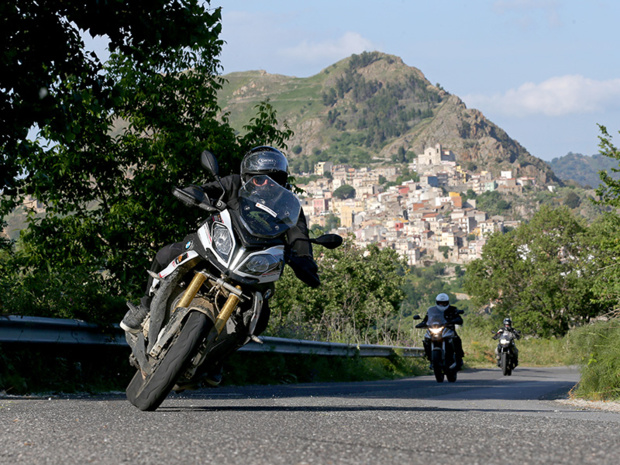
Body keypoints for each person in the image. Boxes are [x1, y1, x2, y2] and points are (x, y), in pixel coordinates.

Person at [120, 147, 320, 383]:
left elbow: (299, 238)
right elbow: (209, 190)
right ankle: (145, 306)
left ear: (282, 182)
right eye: (259, 178)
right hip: (218, 245)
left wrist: (304, 261)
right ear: (246, 176)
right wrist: (195, 193)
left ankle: (215, 360)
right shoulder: (234, 183)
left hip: (252, 264)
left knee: (259, 316)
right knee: (166, 254)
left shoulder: (288, 208)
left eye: (273, 180)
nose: (265, 184)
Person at [415, 293, 465, 370]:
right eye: (440, 303)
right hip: (435, 329)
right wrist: (420, 324)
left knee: (457, 339)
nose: (442, 304)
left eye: (444, 303)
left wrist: (455, 320)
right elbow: (426, 320)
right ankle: (430, 358)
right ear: (437, 302)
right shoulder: (432, 310)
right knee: (426, 340)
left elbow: (459, 319)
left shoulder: (453, 309)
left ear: (447, 302)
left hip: (448, 330)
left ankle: (459, 359)